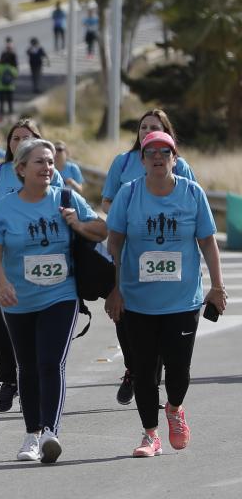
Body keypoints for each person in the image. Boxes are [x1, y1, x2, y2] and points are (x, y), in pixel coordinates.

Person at [0, 138, 107, 463]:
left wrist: (77, 224)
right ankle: (32, 435)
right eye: (39, 162)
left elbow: (103, 228)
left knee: (51, 362)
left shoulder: (66, 198)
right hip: (19, 298)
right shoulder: (4, 208)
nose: (47, 167)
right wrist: (1, 284)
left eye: (51, 161)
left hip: (61, 295)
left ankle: (50, 432)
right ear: (21, 168)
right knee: (27, 365)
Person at [105, 130, 225, 457]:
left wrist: (216, 286)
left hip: (181, 300)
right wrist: (114, 288)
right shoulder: (129, 194)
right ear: (142, 159)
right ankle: (150, 435)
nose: (158, 157)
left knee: (178, 370)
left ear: (175, 157)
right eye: (151, 152)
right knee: (143, 371)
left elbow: (208, 242)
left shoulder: (192, 193)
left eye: (165, 152)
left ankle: (174, 408)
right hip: (137, 300)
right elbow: (113, 242)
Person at [0, 119, 66, 413]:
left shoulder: (51, 174)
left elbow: (64, 216)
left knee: (36, 320)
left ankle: (31, 379)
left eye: (27, 137)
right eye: (15, 138)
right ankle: (9, 380)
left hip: (41, 258)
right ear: (8, 144)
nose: (20, 142)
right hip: (1, 260)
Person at [101, 108, 196, 405]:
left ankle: (148, 380)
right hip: (129, 254)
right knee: (128, 322)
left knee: (160, 329)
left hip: (170, 258)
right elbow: (107, 201)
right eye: (143, 127)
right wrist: (129, 214)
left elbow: (192, 205)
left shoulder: (179, 165)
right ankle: (135, 368)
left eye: (154, 127)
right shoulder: (123, 163)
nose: (147, 132)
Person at [0, 54, 19, 120]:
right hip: (10, 87)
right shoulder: (11, 67)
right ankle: (10, 118)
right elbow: (16, 75)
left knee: (1, 103)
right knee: (10, 103)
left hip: (1, 87)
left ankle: (1, 117)